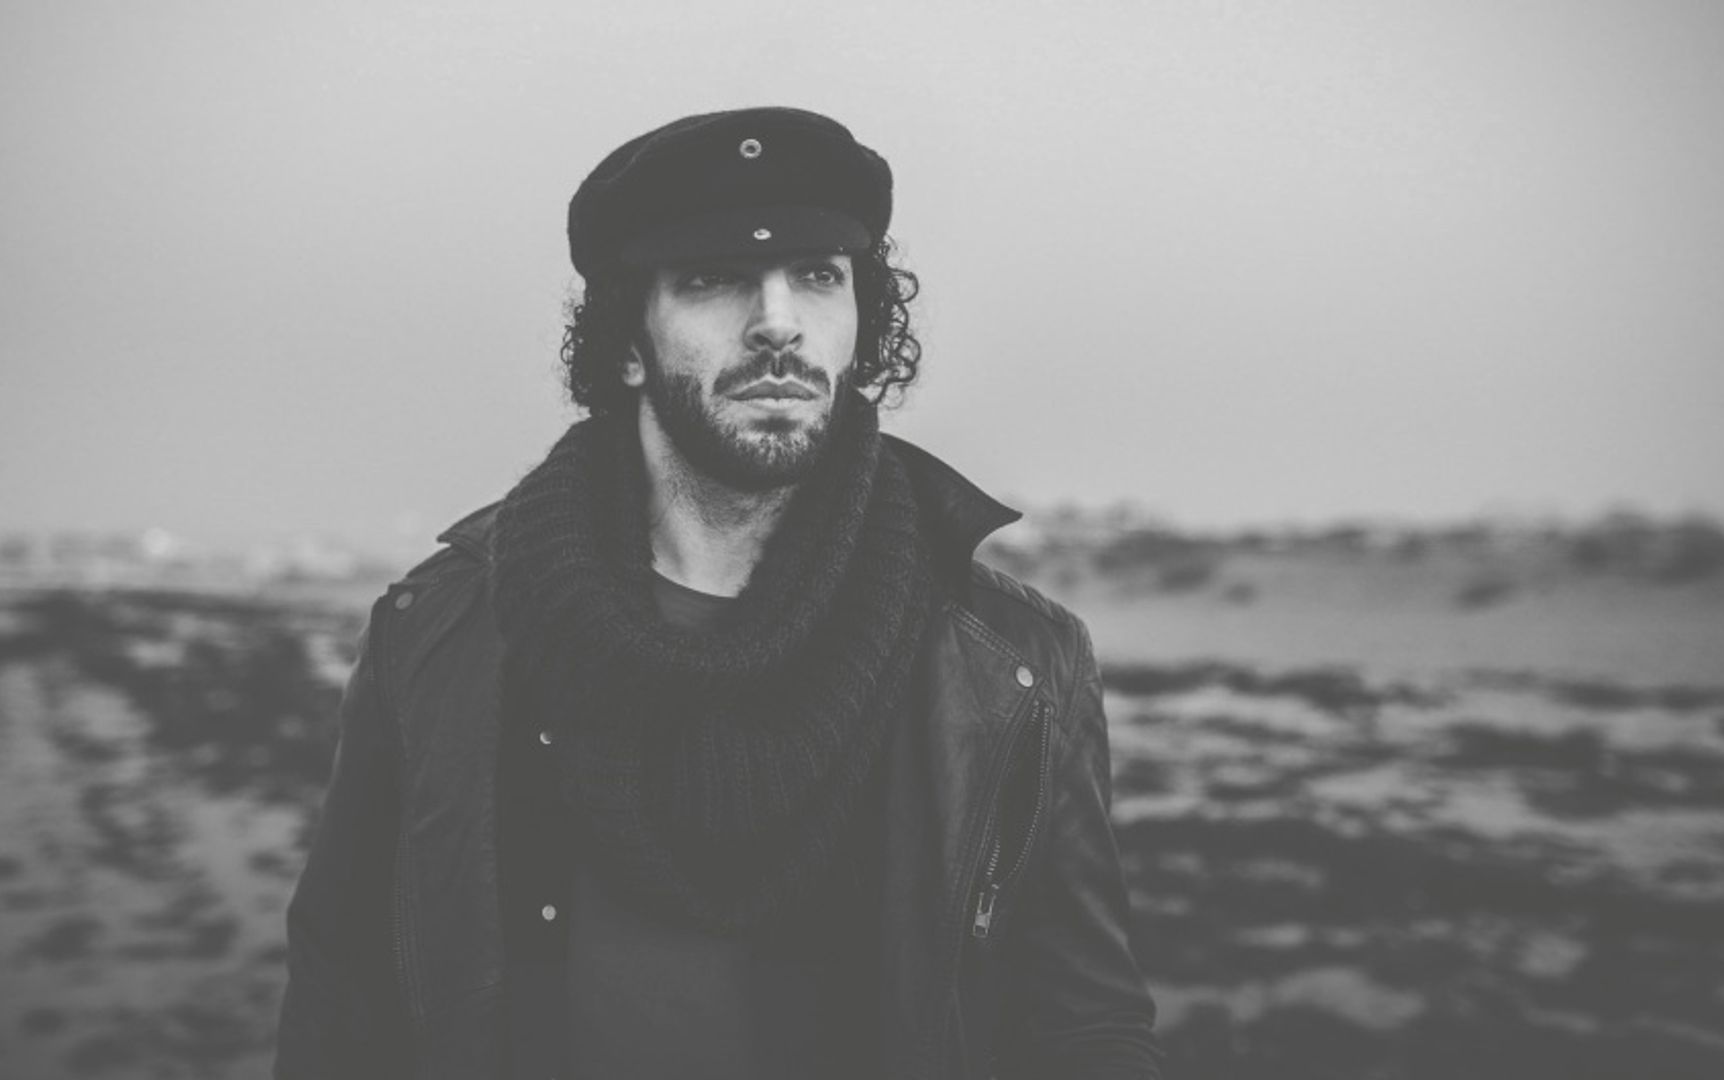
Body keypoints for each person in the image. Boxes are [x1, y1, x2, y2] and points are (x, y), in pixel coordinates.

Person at [274, 106, 1162, 1079]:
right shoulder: (441, 632)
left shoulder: (1014, 663)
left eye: (818, 276)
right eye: (712, 279)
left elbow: (1086, 1027)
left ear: (862, 325)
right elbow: (341, 1001)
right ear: (627, 341)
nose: (778, 322)